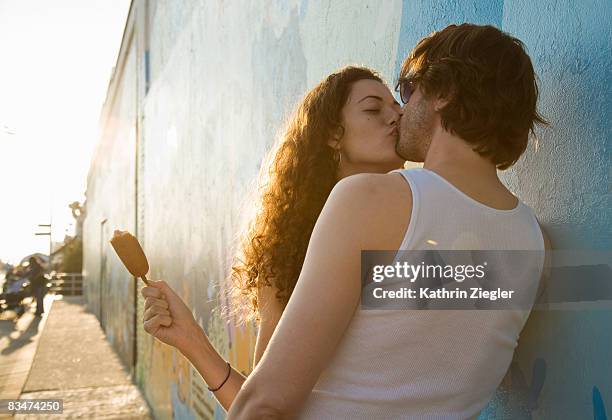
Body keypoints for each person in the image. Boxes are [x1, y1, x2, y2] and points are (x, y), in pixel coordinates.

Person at [147, 23, 551, 418]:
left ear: (443, 93)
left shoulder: (372, 200)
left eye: (407, 92)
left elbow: (268, 404)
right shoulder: (534, 244)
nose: (401, 110)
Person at [141, 66, 405, 411]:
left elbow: (488, 291)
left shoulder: (422, 219)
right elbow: (262, 406)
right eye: (373, 109)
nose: (396, 115)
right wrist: (190, 340)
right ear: (332, 134)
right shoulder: (288, 260)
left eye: (398, 106)